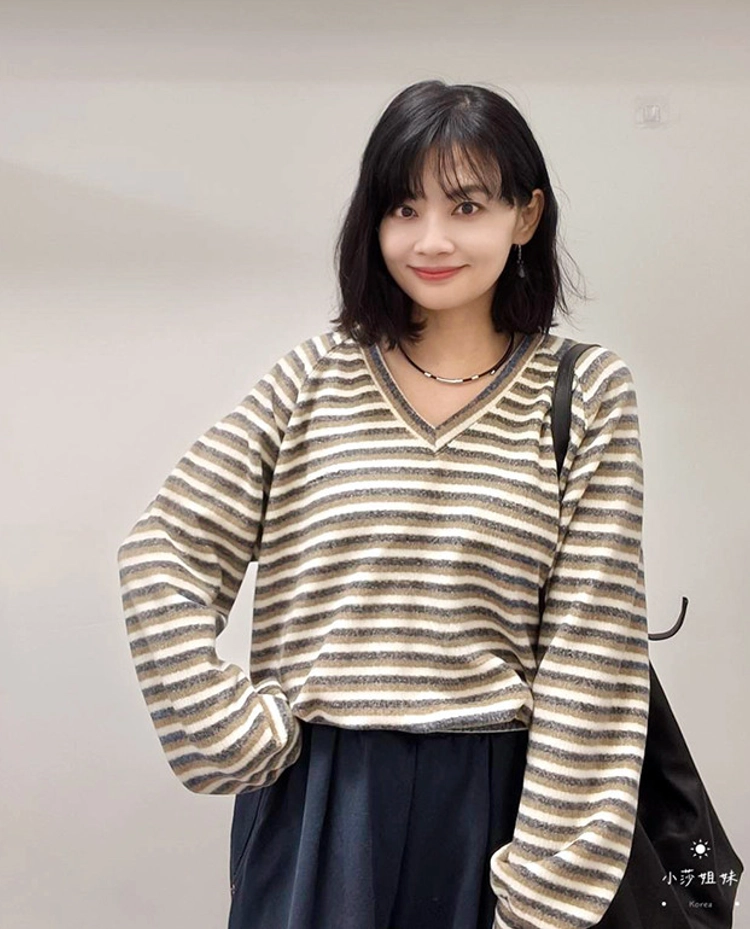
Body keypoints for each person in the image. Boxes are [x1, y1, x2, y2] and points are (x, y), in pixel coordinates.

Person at [117, 80, 651, 929]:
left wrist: (549, 890)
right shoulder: (315, 377)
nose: (430, 238)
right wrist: (222, 729)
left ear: (525, 215)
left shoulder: (585, 392)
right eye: (403, 208)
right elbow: (164, 549)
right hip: (317, 807)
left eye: (466, 205)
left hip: (492, 806)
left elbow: (595, 652)